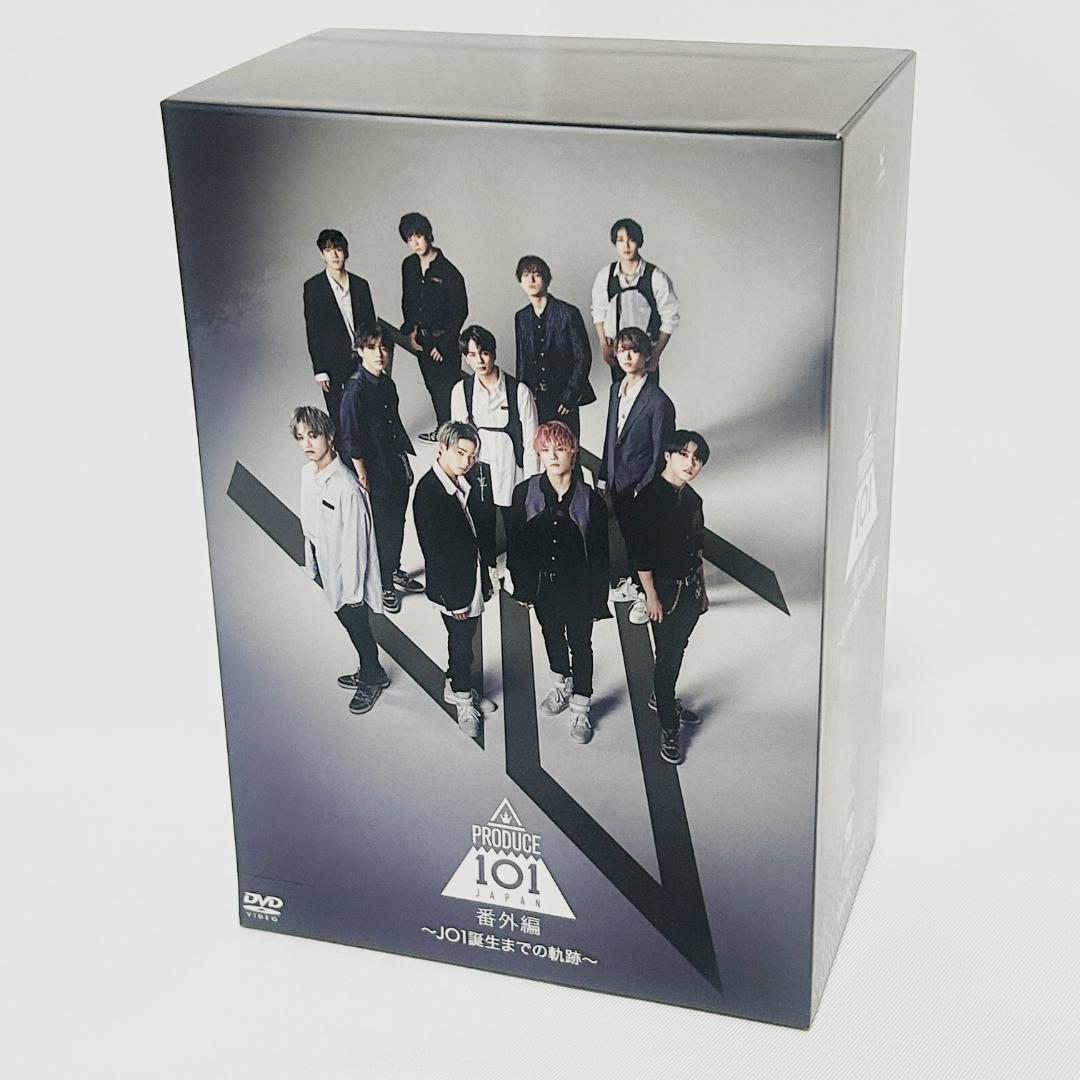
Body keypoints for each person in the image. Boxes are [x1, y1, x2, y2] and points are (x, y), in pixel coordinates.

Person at [507, 421, 611, 744]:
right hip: (544, 587)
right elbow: (516, 545)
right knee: (551, 635)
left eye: (560, 449)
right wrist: (522, 587)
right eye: (546, 449)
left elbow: (600, 556)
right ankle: (561, 684)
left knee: (581, 644)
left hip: (579, 590)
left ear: (573, 451)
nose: (552, 456)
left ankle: (581, 706)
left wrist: (598, 600)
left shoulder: (591, 500)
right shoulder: (524, 493)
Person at [291, 405, 388, 715]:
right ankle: (371, 669)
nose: (307, 444)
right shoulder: (307, 473)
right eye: (301, 437)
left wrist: (354, 592)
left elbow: (357, 544)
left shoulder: (348, 487)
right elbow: (309, 522)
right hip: (325, 565)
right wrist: (312, 563)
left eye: (313, 435)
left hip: (348, 574)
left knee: (356, 624)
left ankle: (372, 675)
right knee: (345, 619)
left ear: (330, 437)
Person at [629, 430, 711, 765]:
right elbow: (640, 555)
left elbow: (698, 548)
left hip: (690, 589)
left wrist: (702, 591)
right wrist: (650, 596)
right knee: (666, 657)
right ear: (667, 455)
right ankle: (668, 723)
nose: (691, 463)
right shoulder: (648, 499)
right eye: (684, 454)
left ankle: (662, 696)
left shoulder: (693, 500)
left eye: (697, 458)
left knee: (677, 648)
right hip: (663, 591)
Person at [412, 421, 498, 737]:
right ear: (442, 448)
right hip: (453, 587)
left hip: (471, 575)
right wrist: (453, 599)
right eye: (460, 453)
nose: (467, 461)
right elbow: (433, 552)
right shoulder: (427, 493)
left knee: (466, 638)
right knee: (460, 643)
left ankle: (457, 683)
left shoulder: (470, 479)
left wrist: (487, 573)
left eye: (472, 456)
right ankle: (462, 697)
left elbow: (481, 529)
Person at [338, 323, 424, 614]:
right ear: (360, 351)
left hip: (393, 463)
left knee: (398, 521)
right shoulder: (355, 391)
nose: (380, 354)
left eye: (384, 348)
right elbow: (351, 439)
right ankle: (385, 583)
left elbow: (393, 425)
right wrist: (363, 476)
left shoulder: (387, 384)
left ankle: (394, 568)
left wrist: (403, 462)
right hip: (374, 471)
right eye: (372, 348)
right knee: (383, 528)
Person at [450, 324, 539, 581]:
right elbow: (458, 437)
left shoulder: (518, 391)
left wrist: (532, 482)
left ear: (494, 353)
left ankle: (518, 575)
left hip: (511, 467)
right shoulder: (461, 391)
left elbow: (531, 441)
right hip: (478, 469)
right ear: (465, 358)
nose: (479, 360)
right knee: (482, 524)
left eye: (484, 353)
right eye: (472, 355)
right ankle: (487, 575)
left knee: (515, 524)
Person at [599, 326, 676, 624]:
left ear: (646, 356)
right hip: (618, 480)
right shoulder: (615, 389)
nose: (627, 357)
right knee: (629, 536)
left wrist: (643, 487)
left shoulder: (658, 402)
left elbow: (660, 454)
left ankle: (648, 595)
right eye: (622, 350)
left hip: (640, 485)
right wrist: (604, 474)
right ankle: (635, 583)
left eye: (634, 351)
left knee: (644, 540)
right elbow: (611, 435)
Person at [399, 212, 468, 441]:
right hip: (422, 340)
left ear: (428, 234)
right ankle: (443, 431)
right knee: (433, 388)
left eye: (418, 236)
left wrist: (444, 344)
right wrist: (411, 331)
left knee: (449, 390)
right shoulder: (409, 266)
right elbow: (408, 300)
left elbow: (460, 311)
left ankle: (457, 437)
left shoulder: (449, 272)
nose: (415, 243)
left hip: (445, 342)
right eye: (409, 239)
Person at [302, 228, 377, 439]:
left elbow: (371, 326)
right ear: (322, 255)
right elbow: (313, 331)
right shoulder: (314, 288)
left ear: (346, 252)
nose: (334, 255)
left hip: (363, 358)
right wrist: (320, 369)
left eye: (338, 249)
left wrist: (373, 356)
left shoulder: (361, 285)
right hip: (333, 362)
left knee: (370, 409)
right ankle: (348, 455)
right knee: (340, 414)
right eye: (328, 251)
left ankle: (372, 452)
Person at [513, 255, 596, 439]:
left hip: (564, 398)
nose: (531, 279)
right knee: (539, 447)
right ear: (520, 282)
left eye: (536, 274)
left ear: (546, 279)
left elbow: (583, 358)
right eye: (526, 275)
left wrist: (570, 396)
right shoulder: (521, 317)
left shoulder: (568, 313)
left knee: (567, 447)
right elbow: (522, 361)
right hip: (535, 399)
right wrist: (522, 397)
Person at [590, 217, 679, 383]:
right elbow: (599, 312)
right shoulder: (605, 276)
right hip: (618, 352)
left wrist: (657, 353)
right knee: (619, 394)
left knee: (647, 396)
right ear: (614, 243)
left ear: (639, 242)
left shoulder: (655, 277)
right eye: (620, 240)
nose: (626, 246)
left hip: (645, 353)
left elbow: (670, 317)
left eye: (631, 240)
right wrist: (604, 345)